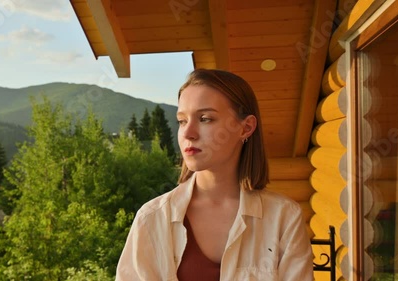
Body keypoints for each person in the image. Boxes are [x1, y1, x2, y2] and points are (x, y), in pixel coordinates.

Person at [115, 69, 313, 280]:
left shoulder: (284, 218)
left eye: (205, 118)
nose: (188, 133)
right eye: (182, 121)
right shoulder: (152, 219)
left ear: (246, 127)